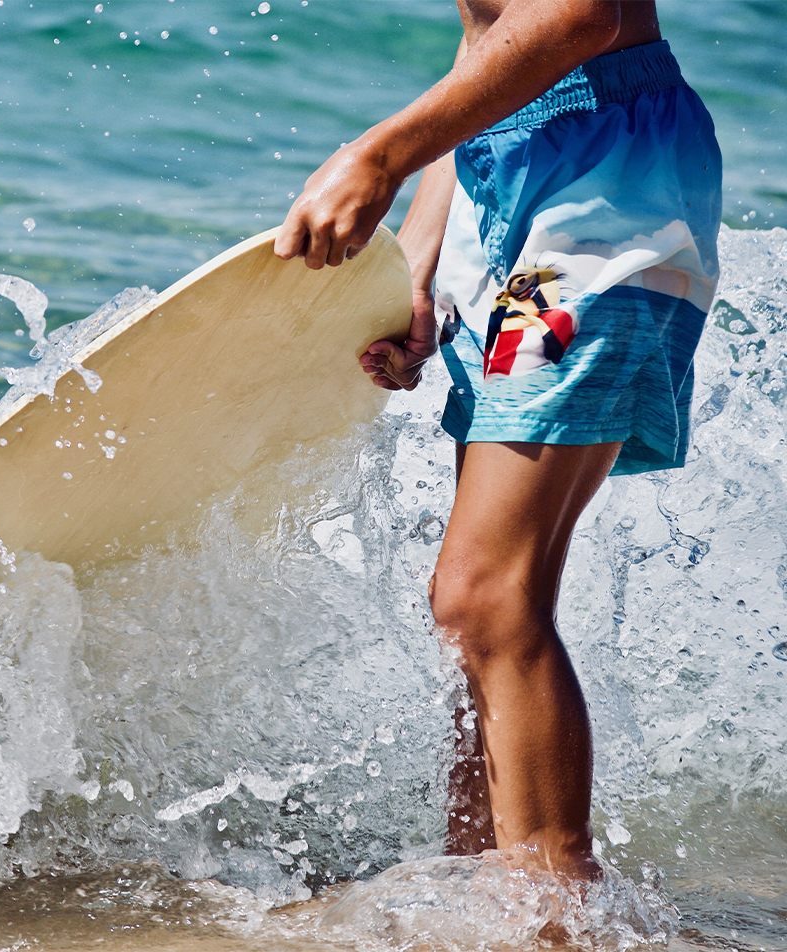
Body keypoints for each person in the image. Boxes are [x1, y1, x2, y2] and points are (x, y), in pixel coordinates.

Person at [274, 0, 720, 881]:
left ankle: (556, 913)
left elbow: (580, 15)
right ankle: (479, 883)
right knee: (488, 605)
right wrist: (418, 261)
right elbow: (487, 46)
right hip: (518, 185)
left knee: (482, 596)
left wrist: (380, 153)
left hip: (605, 200)